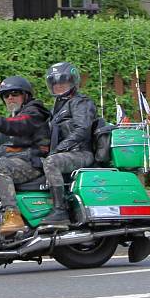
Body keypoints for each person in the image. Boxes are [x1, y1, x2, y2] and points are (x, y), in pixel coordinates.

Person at [0, 76, 51, 236]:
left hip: (32, 163)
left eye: (14, 93)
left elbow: (20, 124)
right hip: (14, 161)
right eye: (6, 95)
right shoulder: (13, 119)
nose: (10, 98)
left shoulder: (34, 112)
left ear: (25, 95)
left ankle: (12, 215)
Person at [40, 62, 97, 227]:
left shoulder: (81, 102)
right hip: (66, 152)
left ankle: (60, 210)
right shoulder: (58, 107)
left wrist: (59, 149)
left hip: (81, 153)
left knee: (51, 162)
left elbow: (83, 129)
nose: (58, 86)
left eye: (63, 82)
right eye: (55, 83)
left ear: (73, 82)